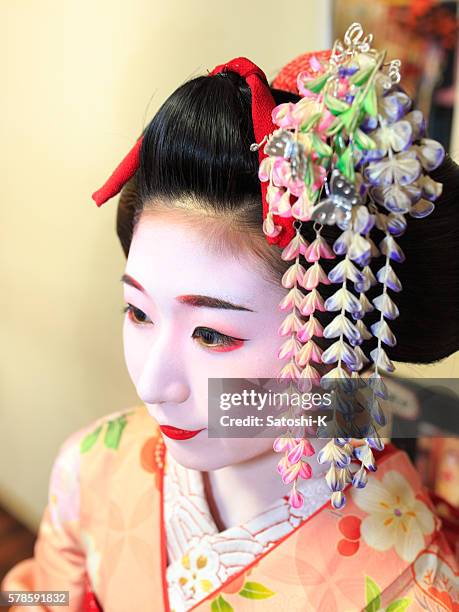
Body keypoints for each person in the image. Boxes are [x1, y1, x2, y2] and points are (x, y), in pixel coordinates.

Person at [2, 25, 459, 612]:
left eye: (212, 333)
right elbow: (43, 594)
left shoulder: (417, 591)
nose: (152, 386)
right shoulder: (92, 462)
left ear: (331, 332)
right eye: (138, 311)